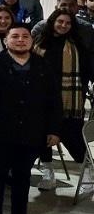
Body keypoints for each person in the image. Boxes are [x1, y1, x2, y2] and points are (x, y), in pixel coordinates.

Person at [0, 23, 60, 214]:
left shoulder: (43, 65)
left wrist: (53, 129)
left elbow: (53, 100)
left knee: (23, 177)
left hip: (33, 131)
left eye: (25, 36)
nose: (20, 40)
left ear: (31, 41)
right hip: (1, 131)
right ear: (6, 40)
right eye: (15, 36)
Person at [31, 10, 91, 190]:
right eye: (60, 22)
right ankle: (48, 173)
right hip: (42, 96)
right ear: (52, 21)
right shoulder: (40, 42)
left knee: (73, 136)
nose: (63, 26)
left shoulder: (77, 45)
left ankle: (88, 172)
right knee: (42, 135)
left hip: (69, 98)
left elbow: (86, 70)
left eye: (67, 23)